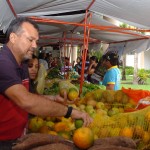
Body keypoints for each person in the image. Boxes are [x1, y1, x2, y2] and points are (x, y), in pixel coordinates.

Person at [0, 17, 92, 149]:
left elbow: (30, 95)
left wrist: (53, 98)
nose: (35, 46)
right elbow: (26, 100)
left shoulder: (23, 63)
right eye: (30, 40)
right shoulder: (3, 63)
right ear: (13, 38)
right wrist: (70, 112)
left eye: (36, 41)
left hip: (18, 136)